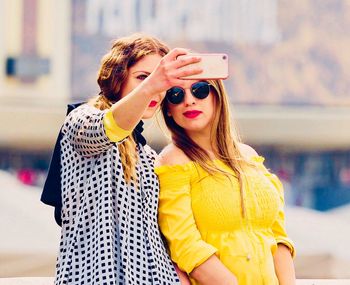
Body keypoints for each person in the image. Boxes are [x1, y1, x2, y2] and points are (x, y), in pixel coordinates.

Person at [54, 33, 203, 285]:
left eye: (161, 81)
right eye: (143, 77)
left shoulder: (148, 155)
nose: (155, 88)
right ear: (118, 77)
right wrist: (154, 84)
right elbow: (110, 127)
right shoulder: (81, 118)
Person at [155, 78, 296, 284]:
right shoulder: (173, 161)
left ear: (217, 96)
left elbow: (277, 236)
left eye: (200, 90)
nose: (189, 100)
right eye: (175, 95)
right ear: (167, 108)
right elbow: (185, 246)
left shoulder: (248, 155)